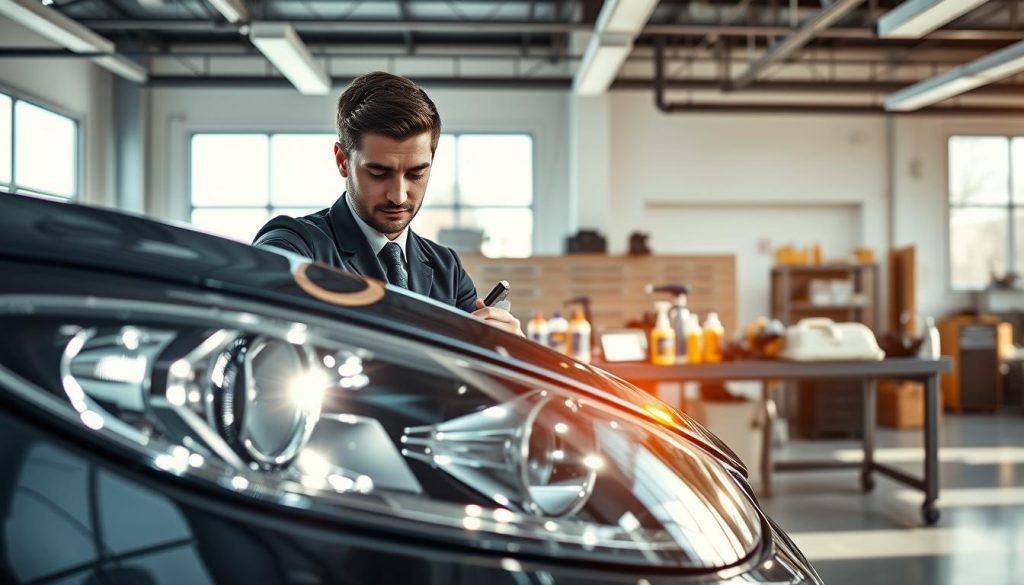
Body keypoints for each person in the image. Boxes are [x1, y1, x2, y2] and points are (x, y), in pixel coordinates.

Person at [253, 71, 522, 336]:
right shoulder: (296, 244)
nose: (399, 196)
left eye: (416, 174)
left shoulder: (446, 268)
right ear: (342, 161)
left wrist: (510, 352)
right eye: (379, 173)